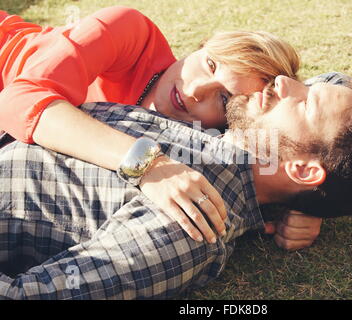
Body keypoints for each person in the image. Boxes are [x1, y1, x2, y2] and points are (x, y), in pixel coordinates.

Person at [0, 72, 352, 299]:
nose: (284, 81)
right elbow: (338, 79)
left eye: (305, 100)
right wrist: (307, 207)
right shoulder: (223, 134)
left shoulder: (189, 229)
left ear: (302, 170)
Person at [0, 6, 319, 247]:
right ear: (202, 44)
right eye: (209, 64)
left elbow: (305, 138)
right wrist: (146, 164)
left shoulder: (207, 138)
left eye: (223, 99)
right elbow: (19, 100)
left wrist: (304, 204)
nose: (195, 90)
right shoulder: (128, 30)